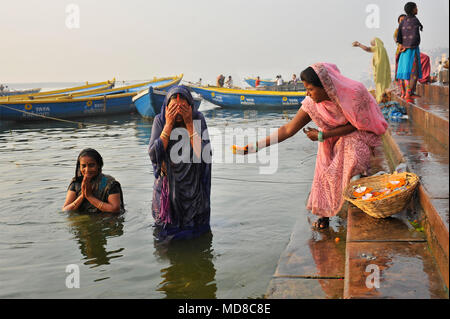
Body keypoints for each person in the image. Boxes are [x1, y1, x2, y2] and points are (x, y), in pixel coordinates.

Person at [233, 63, 387, 229]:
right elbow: (288, 129)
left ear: (325, 86)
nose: (307, 93)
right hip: (331, 140)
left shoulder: (354, 94)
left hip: (361, 136)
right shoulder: (312, 104)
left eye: (311, 89)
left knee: (351, 151)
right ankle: (324, 213)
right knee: (325, 166)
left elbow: (358, 125)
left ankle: (357, 184)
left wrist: (323, 135)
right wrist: (256, 146)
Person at [148, 85, 212, 242]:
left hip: (193, 189)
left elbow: (204, 155)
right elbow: (154, 155)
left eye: (183, 107)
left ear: (190, 106)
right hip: (167, 188)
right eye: (173, 108)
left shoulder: (198, 119)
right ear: (166, 107)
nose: (178, 112)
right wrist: (169, 125)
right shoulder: (160, 120)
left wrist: (190, 125)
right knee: (166, 238)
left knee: (198, 237)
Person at [63, 148, 124, 213]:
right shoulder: (76, 183)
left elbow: (115, 209)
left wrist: (90, 197)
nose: (87, 170)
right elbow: (65, 209)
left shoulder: (110, 184)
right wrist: (82, 196)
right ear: (79, 167)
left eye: (91, 165)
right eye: (83, 166)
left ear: (99, 165)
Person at [396, 2, 423, 102]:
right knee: (414, 73)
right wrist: (410, 46)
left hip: (403, 50)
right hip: (412, 49)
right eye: (416, 8)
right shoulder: (414, 20)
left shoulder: (403, 21)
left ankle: (405, 93)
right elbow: (416, 36)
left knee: (404, 73)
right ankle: (408, 94)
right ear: (412, 9)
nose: (417, 9)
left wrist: (402, 46)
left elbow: (399, 37)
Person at [352, 38, 391, 103]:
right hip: (383, 71)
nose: (372, 45)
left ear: (376, 42)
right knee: (382, 85)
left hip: (380, 71)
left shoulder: (378, 48)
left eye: (372, 43)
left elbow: (367, 49)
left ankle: (380, 99)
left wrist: (359, 44)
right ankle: (382, 98)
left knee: (380, 85)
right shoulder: (382, 49)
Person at [394, 14, 407, 85]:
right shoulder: (397, 31)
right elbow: (397, 41)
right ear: (398, 22)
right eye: (401, 20)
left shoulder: (409, 29)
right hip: (401, 51)